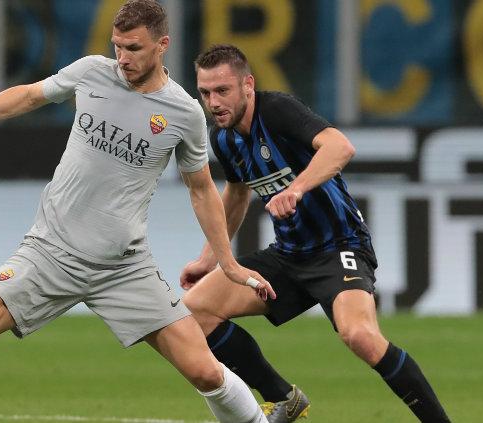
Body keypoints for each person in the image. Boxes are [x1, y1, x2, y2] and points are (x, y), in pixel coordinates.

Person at [0, 3, 277, 423]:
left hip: (124, 267)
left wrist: (226, 262)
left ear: (163, 45)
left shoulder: (184, 113)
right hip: (50, 253)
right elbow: (32, 94)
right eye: (118, 46)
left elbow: (201, 190)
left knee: (204, 370)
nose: (123, 57)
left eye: (134, 48)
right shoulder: (92, 72)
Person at [181, 44, 451, 423]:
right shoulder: (223, 138)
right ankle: (284, 398)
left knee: (359, 336)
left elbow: (340, 146)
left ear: (247, 85)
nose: (213, 102)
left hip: (339, 246)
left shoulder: (276, 110)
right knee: (195, 311)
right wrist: (210, 259)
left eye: (222, 90)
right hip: (288, 255)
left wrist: (296, 189)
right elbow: (238, 194)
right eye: (205, 92)